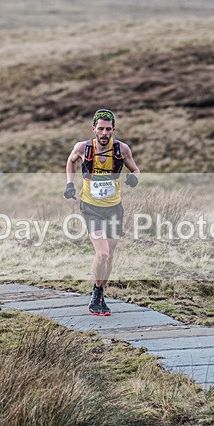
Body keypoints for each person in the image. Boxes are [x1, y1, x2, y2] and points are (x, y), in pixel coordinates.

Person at [64, 109, 140, 316]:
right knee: (103, 252)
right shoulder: (83, 148)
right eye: (101, 129)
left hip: (114, 208)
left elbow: (135, 169)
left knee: (111, 255)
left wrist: (134, 178)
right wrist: (69, 184)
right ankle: (96, 295)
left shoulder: (122, 150)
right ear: (94, 129)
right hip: (91, 208)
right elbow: (71, 161)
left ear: (113, 130)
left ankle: (100, 292)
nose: (104, 133)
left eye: (108, 129)